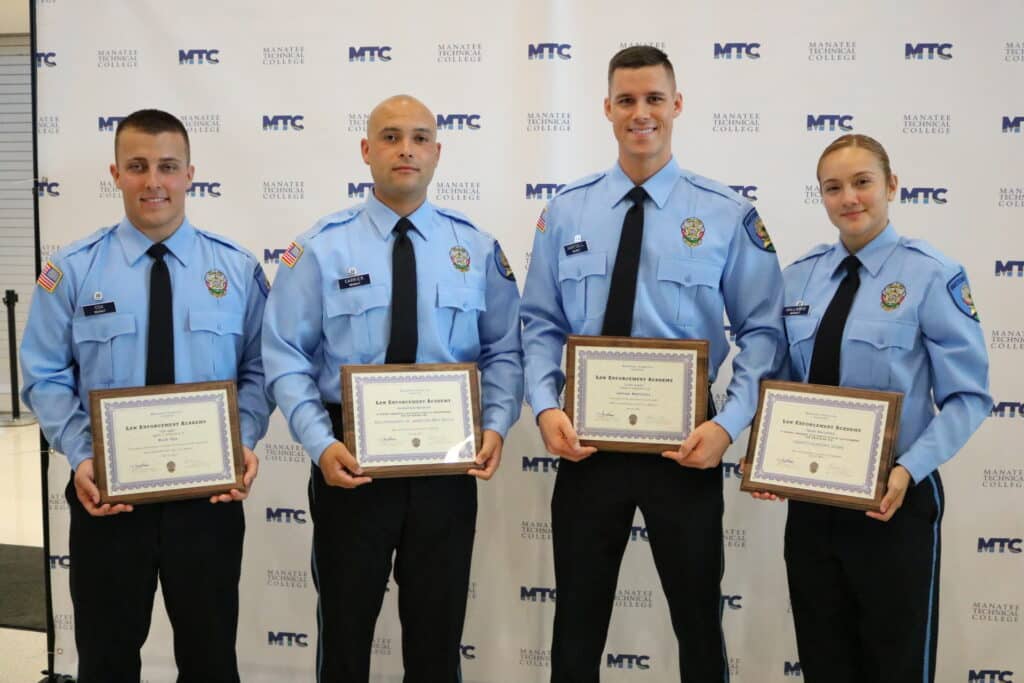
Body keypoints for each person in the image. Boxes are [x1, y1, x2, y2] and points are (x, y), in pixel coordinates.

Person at [519, 45, 785, 681]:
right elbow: (538, 323)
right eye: (628, 100)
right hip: (587, 448)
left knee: (696, 618)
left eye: (655, 99)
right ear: (607, 108)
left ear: (678, 105)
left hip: (687, 446)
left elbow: (765, 332)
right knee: (577, 619)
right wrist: (547, 404)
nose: (642, 113)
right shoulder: (566, 211)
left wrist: (728, 426)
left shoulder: (726, 214)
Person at [261, 94, 523, 681]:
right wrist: (320, 445)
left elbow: (505, 351)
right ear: (366, 150)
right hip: (349, 466)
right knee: (346, 639)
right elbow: (284, 355)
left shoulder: (475, 250)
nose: (406, 148)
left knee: (436, 642)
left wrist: (496, 425)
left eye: (420, 137)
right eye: (390, 136)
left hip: (445, 473)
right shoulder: (320, 248)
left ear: (437, 152)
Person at [20, 109, 271, 683]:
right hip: (108, 500)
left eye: (166, 166)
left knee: (210, 661)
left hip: (207, 500)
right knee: (106, 661)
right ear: (115, 173)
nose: (152, 181)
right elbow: (44, 375)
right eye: (137, 166)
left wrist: (242, 439)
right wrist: (84, 457)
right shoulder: (74, 270)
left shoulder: (233, 269)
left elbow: (259, 370)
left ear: (190, 174)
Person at [752, 133, 990, 683]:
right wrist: (765, 455)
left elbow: (968, 397)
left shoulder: (932, 274)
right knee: (823, 657)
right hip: (811, 505)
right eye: (833, 188)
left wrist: (909, 469)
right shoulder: (799, 277)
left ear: (891, 186)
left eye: (862, 183)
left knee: (896, 663)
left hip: (894, 499)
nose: (849, 198)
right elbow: (782, 381)